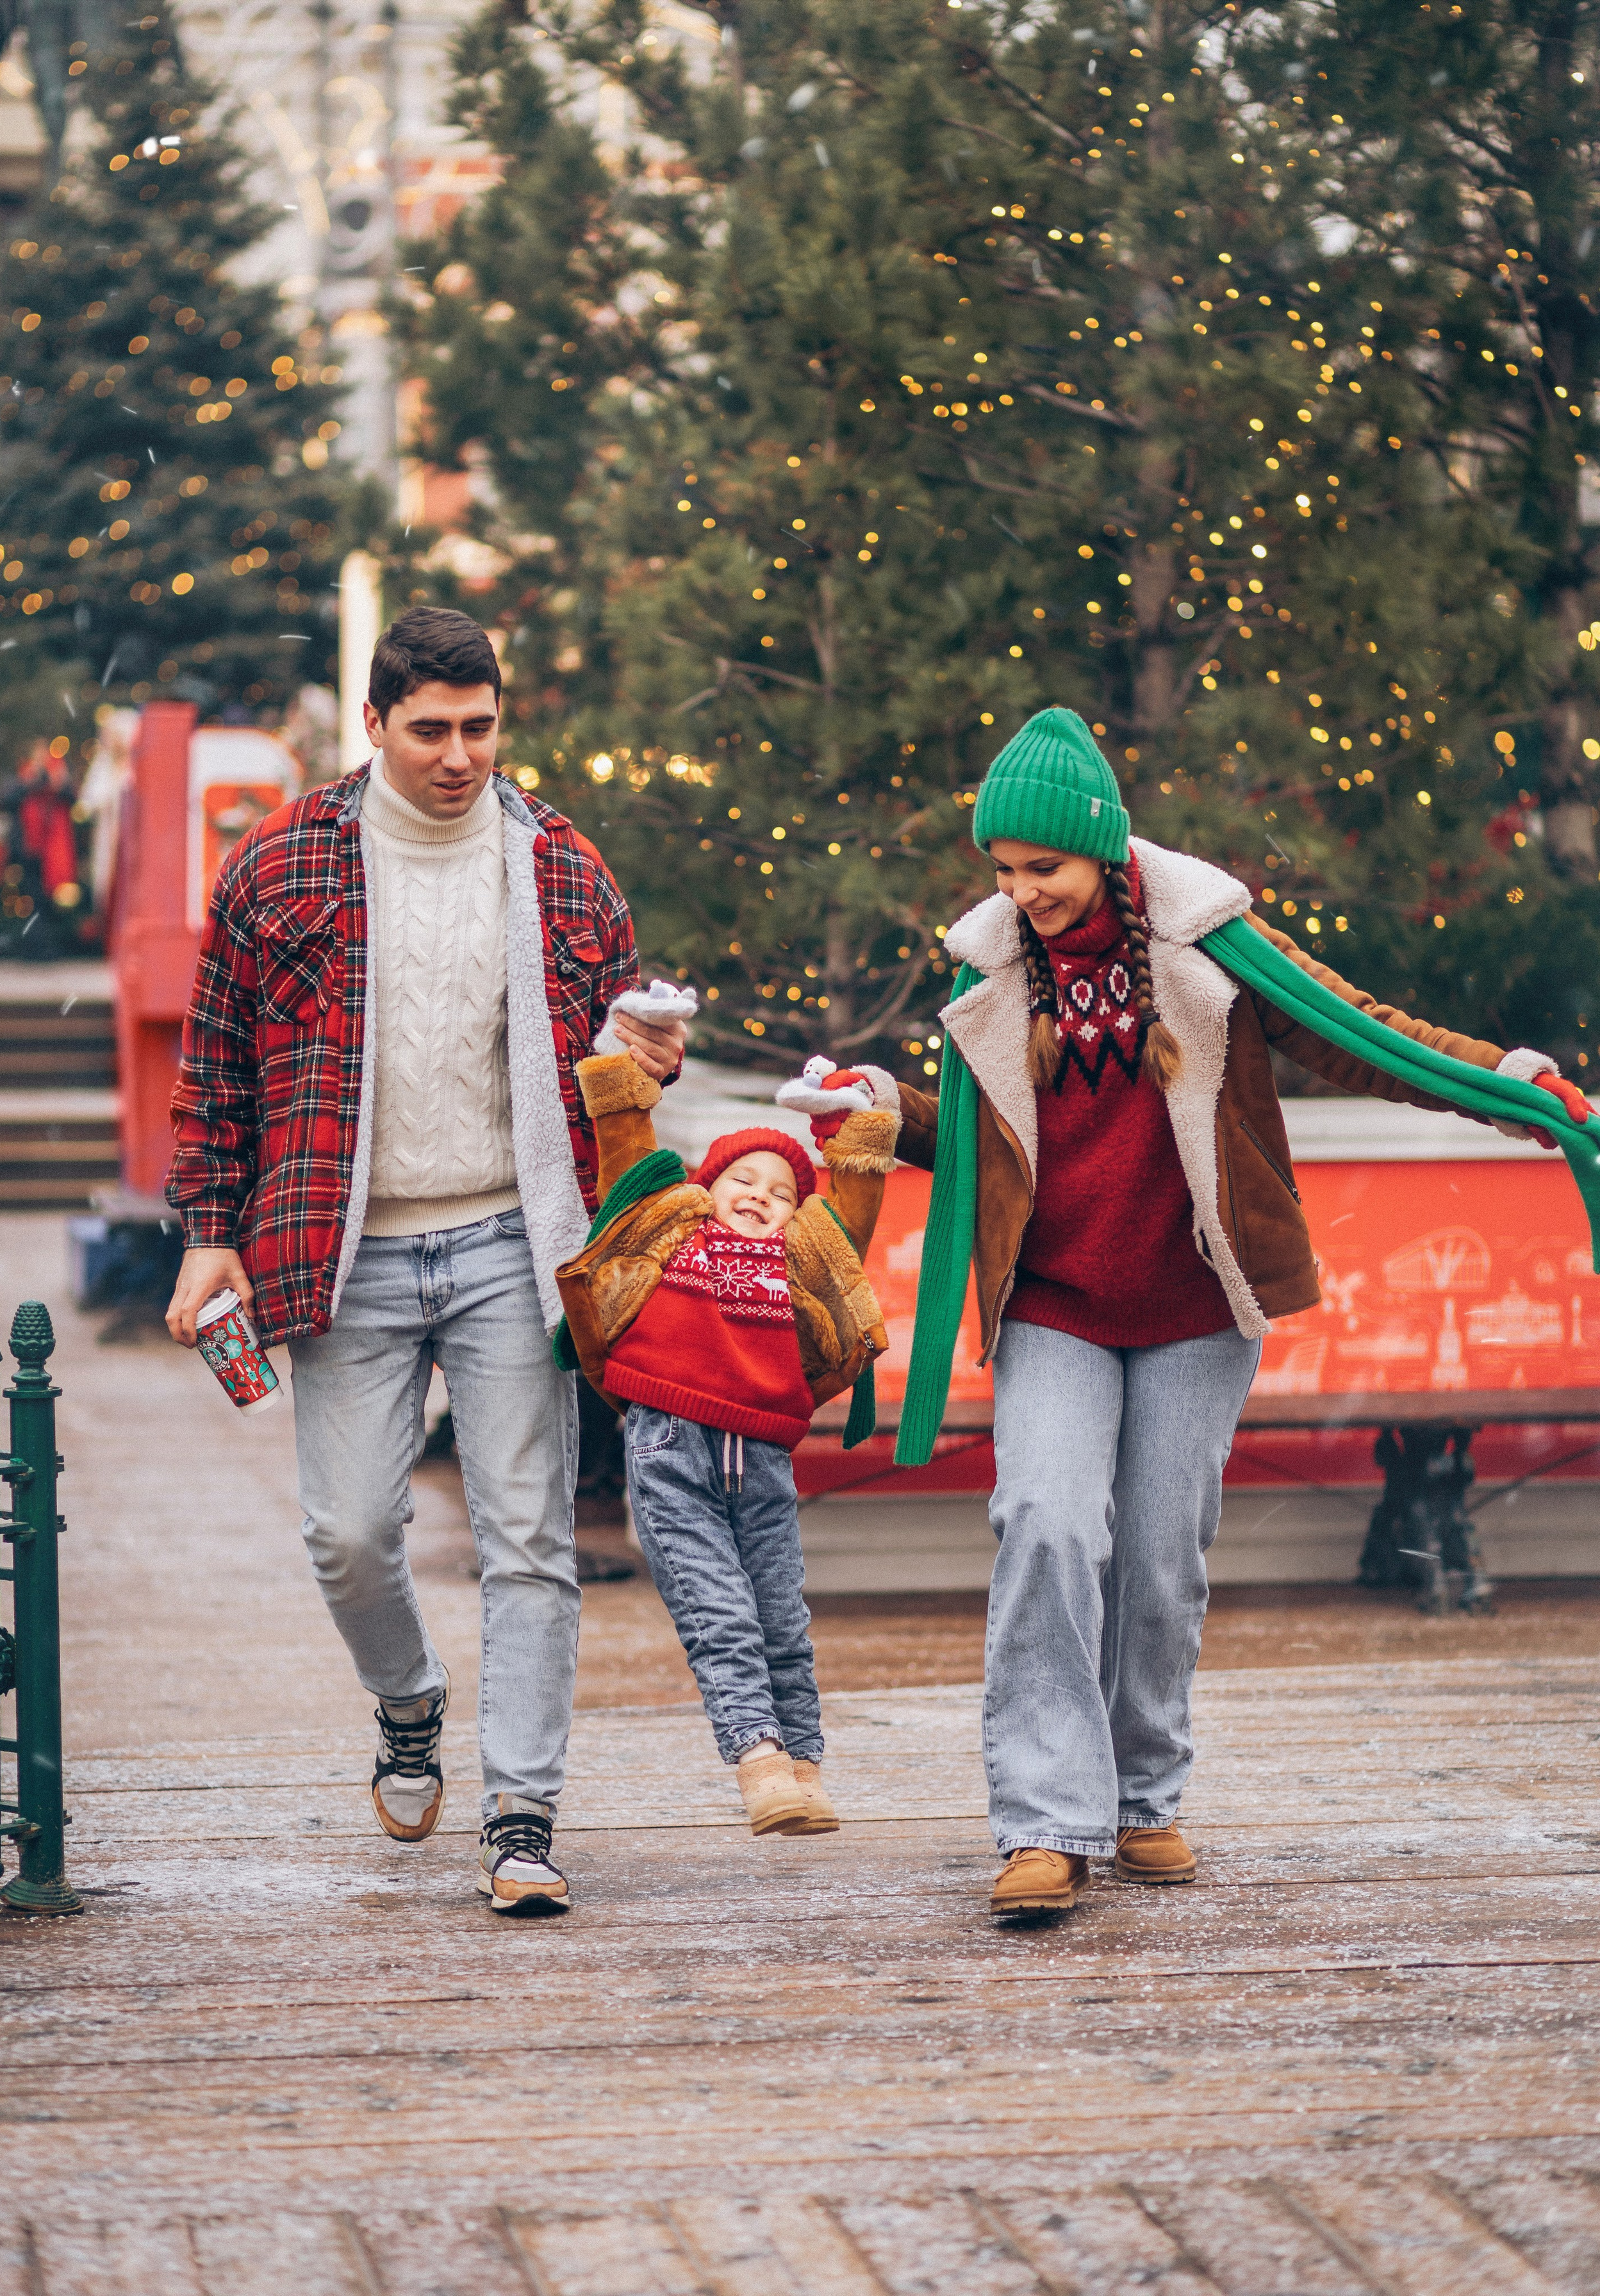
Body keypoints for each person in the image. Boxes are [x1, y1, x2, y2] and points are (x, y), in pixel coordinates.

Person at [893, 708, 1590, 1920]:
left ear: (1101, 850)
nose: (1021, 893)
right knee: (1048, 1523)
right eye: (1002, 871)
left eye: (1043, 868)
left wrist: (1503, 1082)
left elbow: (1360, 1035)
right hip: (1054, 1302)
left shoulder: (1211, 943)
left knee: (1160, 1555)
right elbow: (966, 1140)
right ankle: (1045, 1822)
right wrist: (873, 1104)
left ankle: (1143, 1796)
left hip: (1194, 1302)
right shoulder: (988, 972)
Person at [163, 606, 689, 1916]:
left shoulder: (563, 865)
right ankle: (407, 1700)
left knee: (529, 1539)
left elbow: (614, 1067)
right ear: (375, 724)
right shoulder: (279, 862)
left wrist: (646, 1062)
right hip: (345, 1249)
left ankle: (522, 1815)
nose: (460, 756)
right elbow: (215, 1065)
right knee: (347, 1534)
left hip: (517, 1239)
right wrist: (208, 1232)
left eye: (480, 728)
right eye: (431, 730)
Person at [557, 1046, 900, 1834]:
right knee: (722, 1614)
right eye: (742, 1179)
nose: (759, 1196)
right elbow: (627, 1161)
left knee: (781, 1620)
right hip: (669, 1448)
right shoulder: (672, 1233)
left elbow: (849, 1213)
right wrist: (625, 1075)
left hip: (763, 1459)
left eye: (780, 1192)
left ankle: (803, 1765)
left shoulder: (800, 1258)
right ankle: (758, 1761)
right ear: (705, 1189)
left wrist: (850, 1132)